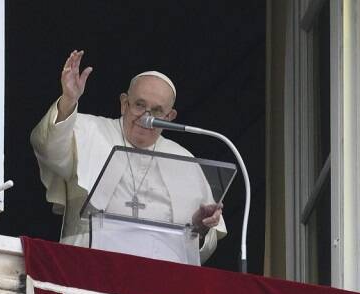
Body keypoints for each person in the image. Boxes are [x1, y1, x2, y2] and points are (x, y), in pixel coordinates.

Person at [30, 50, 226, 264]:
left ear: (170, 117)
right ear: (124, 103)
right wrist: (69, 100)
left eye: (157, 111)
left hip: (163, 275)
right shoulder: (90, 130)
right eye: (139, 105)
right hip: (90, 265)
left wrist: (200, 228)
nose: (146, 117)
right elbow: (48, 148)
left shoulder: (184, 159)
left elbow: (202, 249)